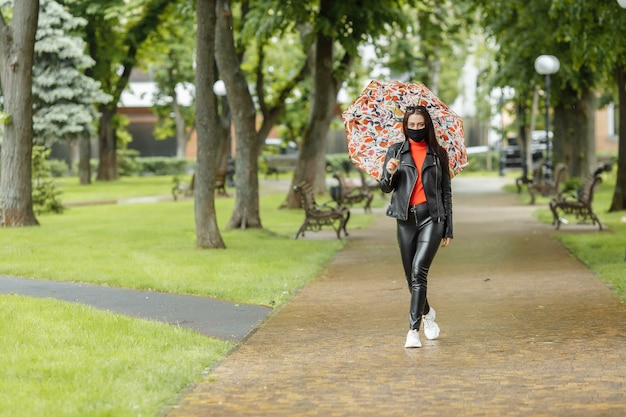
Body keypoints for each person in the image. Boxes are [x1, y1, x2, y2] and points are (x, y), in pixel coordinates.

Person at [379, 105, 453, 348]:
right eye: (412, 125)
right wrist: (390, 172)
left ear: (427, 125)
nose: (416, 129)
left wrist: (448, 228)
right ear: (405, 126)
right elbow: (385, 187)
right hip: (405, 219)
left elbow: (446, 192)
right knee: (410, 278)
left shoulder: (438, 154)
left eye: (421, 125)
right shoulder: (395, 152)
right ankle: (427, 314)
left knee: (419, 271)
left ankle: (413, 331)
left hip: (432, 218)